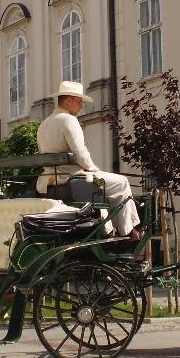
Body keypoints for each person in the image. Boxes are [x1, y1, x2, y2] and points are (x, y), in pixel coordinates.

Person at [37, 80, 141, 239]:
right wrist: (94, 169)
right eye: (79, 101)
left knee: (103, 188)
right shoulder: (69, 120)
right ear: (69, 100)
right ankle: (128, 231)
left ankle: (108, 229)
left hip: (48, 181)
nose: (81, 106)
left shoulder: (43, 125)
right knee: (121, 182)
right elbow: (80, 153)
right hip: (70, 178)